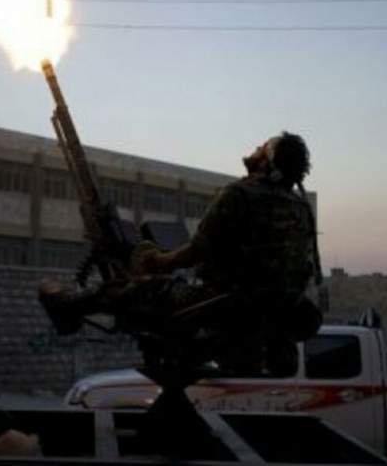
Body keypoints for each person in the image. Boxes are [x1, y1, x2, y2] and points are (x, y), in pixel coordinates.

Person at [39, 131, 321, 375]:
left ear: (269, 160)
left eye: (262, 147)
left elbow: (199, 249)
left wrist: (160, 262)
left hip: (224, 305)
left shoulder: (240, 194)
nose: (256, 148)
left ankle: (68, 306)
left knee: (144, 289)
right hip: (267, 313)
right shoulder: (301, 208)